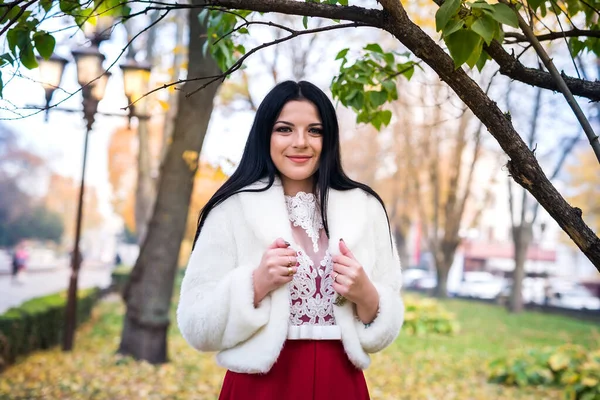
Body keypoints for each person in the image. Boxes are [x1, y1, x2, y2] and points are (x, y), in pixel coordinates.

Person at [177, 81, 404, 400]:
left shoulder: (365, 208)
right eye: (285, 129)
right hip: (259, 386)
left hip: (340, 383)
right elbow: (195, 324)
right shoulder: (231, 210)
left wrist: (366, 294)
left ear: (329, 139)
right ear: (265, 135)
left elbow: (388, 317)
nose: (301, 142)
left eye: (315, 131)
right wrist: (255, 284)